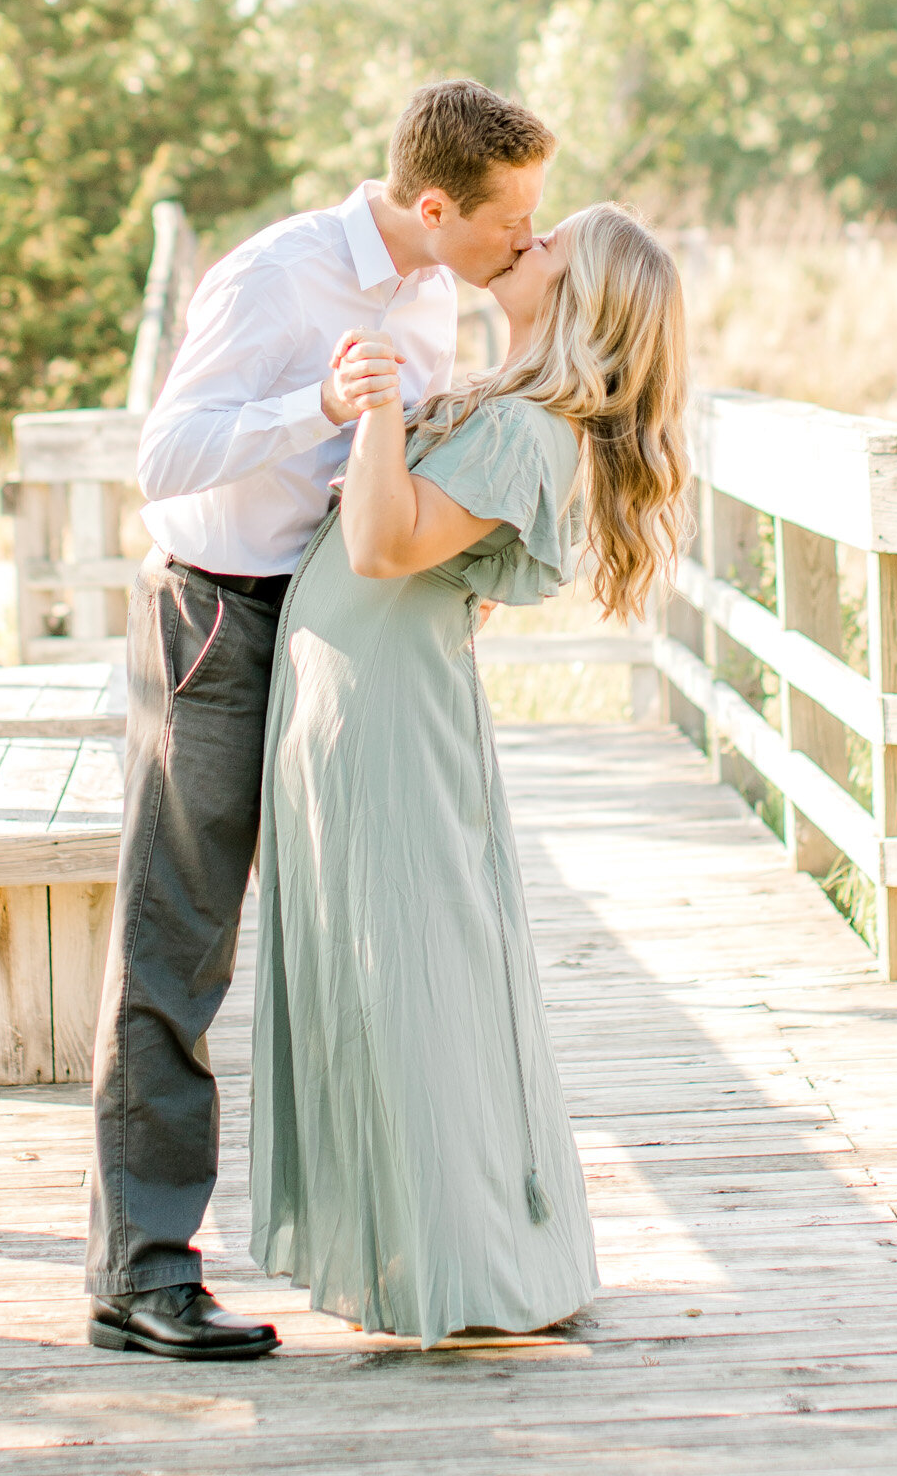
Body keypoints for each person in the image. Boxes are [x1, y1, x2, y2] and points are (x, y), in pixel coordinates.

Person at [85, 78, 558, 1360]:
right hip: (215, 625)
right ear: (435, 203)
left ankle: (382, 1242)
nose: (527, 234)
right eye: (513, 214)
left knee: (331, 941)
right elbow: (165, 461)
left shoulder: (430, 296)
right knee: (179, 940)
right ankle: (140, 1273)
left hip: (323, 634)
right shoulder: (276, 274)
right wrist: (321, 407)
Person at [251, 202, 690, 1348]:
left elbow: (383, 545)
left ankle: (470, 1268)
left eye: (555, 243)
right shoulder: (512, 404)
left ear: (582, 295)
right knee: (383, 968)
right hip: (362, 690)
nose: (527, 241)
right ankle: (418, 1256)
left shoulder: (531, 423)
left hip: (387, 709)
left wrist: (383, 403)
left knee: (418, 971)